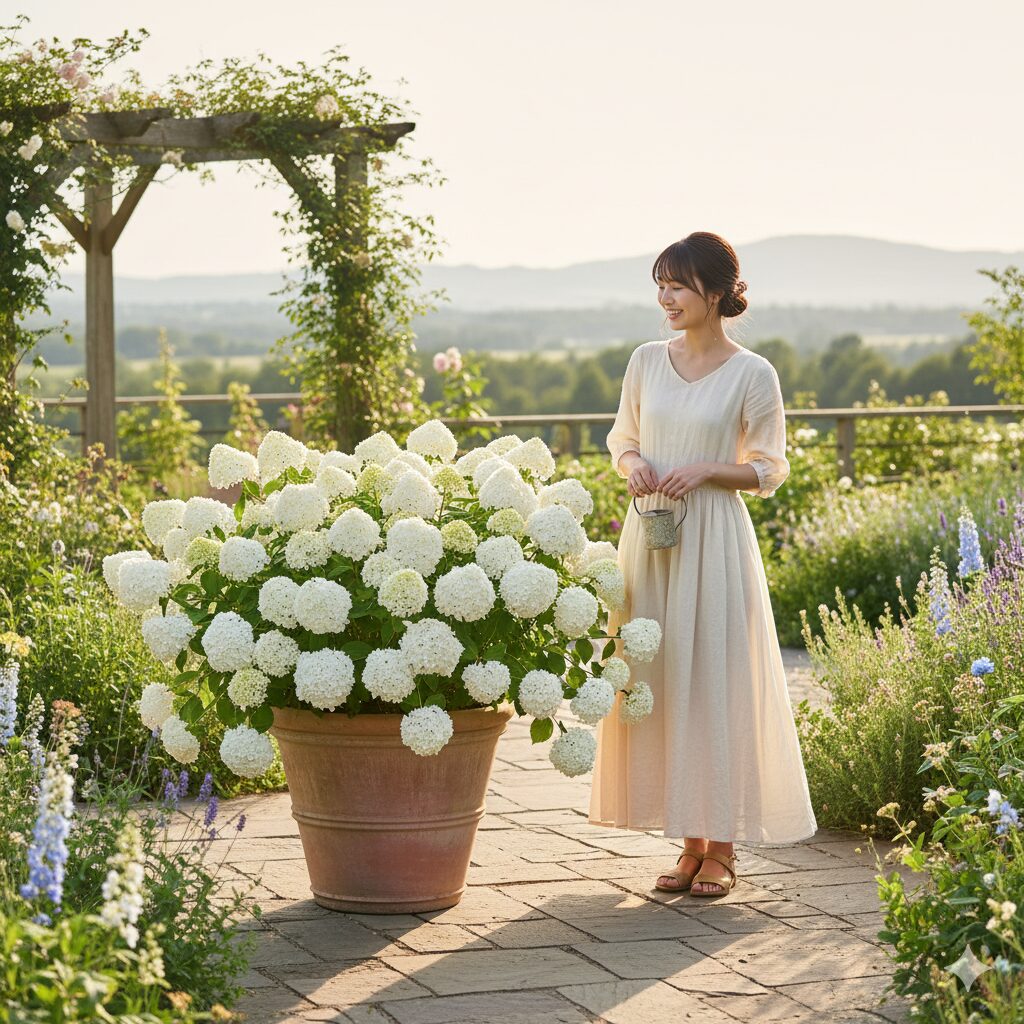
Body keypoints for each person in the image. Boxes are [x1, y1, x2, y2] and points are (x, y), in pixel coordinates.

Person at [588, 231, 817, 896]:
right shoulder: (644, 361)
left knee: (715, 684)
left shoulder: (753, 373)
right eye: (660, 284)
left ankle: (723, 849)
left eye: (678, 285)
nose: (665, 298)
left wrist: (711, 470)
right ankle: (689, 844)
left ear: (716, 293)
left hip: (715, 542)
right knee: (661, 683)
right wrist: (633, 466)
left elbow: (770, 468)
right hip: (652, 539)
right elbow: (622, 438)